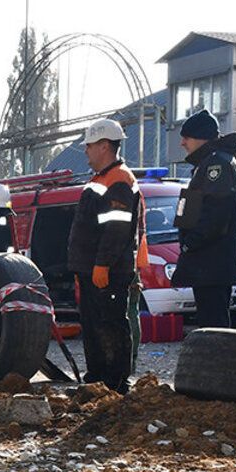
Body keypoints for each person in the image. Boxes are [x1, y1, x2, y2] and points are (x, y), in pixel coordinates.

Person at [66, 118, 143, 394]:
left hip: (108, 270)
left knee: (110, 323)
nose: (85, 151)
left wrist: (102, 264)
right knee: (94, 324)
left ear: (104, 146)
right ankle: (98, 378)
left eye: (88, 145)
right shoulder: (101, 179)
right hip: (94, 269)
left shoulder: (118, 180)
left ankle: (116, 382)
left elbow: (117, 229)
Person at [171, 109, 236, 328]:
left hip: (212, 263)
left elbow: (215, 214)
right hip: (207, 263)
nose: (182, 143)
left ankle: (217, 362)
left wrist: (190, 243)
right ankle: (212, 361)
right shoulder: (207, 164)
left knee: (213, 324)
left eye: (186, 137)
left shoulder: (217, 165)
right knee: (209, 321)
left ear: (201, 137)